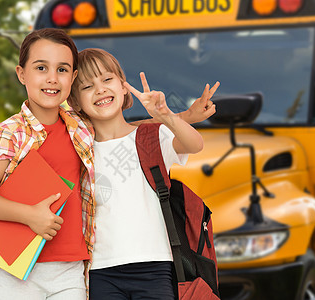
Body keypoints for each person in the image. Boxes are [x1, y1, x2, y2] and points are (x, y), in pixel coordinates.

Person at [0, 28, 217, 300]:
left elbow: (146, 135)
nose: (52, 78)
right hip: (52, 265)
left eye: (62, 70)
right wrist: (30, 215)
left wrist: (174, 116)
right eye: (40, 67)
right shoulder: (44, 134)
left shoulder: (92, 132)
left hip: (105, 267)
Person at [68, 48, 216, 299]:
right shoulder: (78, 150)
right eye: (86, 87)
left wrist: (166, 116)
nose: (100, 89)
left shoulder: (150, 136)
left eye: (107, 80)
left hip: (156, 265)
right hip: (100, 269)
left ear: (124, 87)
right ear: (74, 103)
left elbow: (194, 144)